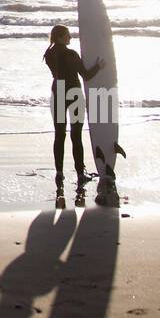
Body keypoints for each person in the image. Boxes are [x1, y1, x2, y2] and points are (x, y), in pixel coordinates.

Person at [43, 24, 102, 195]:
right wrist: (100, 66)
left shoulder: (48, 54)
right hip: (74, 93)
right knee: (76, 136)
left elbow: (58, 73)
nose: (70, 37)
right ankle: (79, 173)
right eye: (68, 35)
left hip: (58, 91)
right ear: (61, 37)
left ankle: (59, 173)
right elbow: (87, 75)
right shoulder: (71, 54)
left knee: (59, 134)